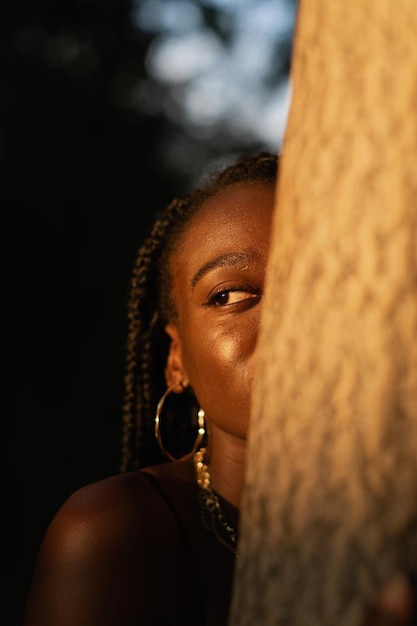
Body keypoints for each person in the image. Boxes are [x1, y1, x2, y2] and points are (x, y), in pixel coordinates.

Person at [23, 152, 414, 626]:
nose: (288, 320)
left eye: (320, 284)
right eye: (227, 295)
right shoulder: (118, 533)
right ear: (176, 360)